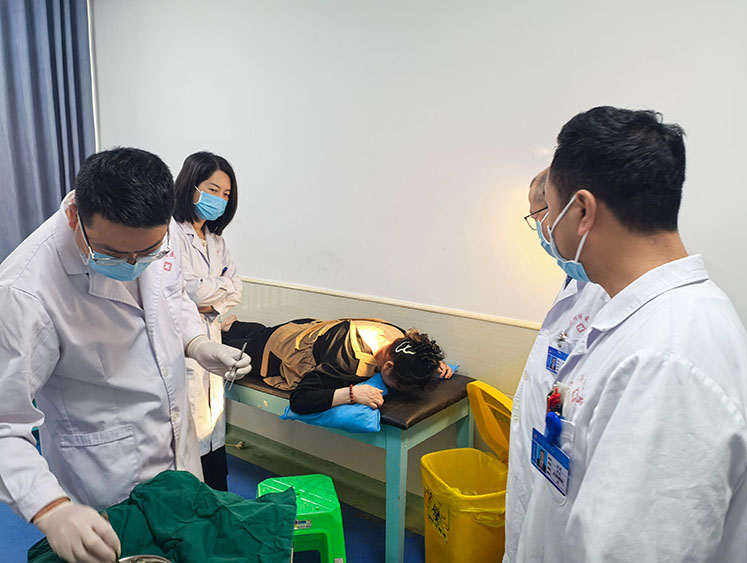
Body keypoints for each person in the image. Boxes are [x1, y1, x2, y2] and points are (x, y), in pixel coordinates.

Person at [507, 107, 747, 562]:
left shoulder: (668, 361)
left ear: (581, 211)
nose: (547, 229)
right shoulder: (640, 319)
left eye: (550, 212)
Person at [0, 148, 251, 563]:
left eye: (147, 252)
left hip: (179, 456)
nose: (134, 264)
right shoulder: (25, 291)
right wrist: (51, 509)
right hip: (107, 476)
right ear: (74, 216)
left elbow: (174, 299)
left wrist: (197, 344)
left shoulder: (160, 235)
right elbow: (4, 423)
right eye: (114, 255)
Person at [504, 169, 609, 562]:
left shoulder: (609, 295)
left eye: (539, 217)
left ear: (575, 210)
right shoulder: (576, 282)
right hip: (545, 461)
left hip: (571, 488)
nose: (542, 233)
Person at [172, 151, 243, 491]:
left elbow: (236, 289)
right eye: (213, 190)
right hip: (184, 350)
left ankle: (216, 500)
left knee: (213, 438)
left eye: (226, 194)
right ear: (191, 186)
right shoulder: (172, 234)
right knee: (187, 447)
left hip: (211, 341)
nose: (220, 199)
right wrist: (214, 290)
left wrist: (206, 296)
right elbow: (186, 291)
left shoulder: (216, 241)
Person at [222, 318, 453, 414]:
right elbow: (300, 400)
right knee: (230, 349)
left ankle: (232, 324)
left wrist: (430, 363)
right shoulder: (347, 361)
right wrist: (351, 394)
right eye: (400, 385)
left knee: (261, 332)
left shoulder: (398, 337)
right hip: (275, 351)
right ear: (388, 367)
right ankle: (220, 331)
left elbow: (415, 350)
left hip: (304, 328)